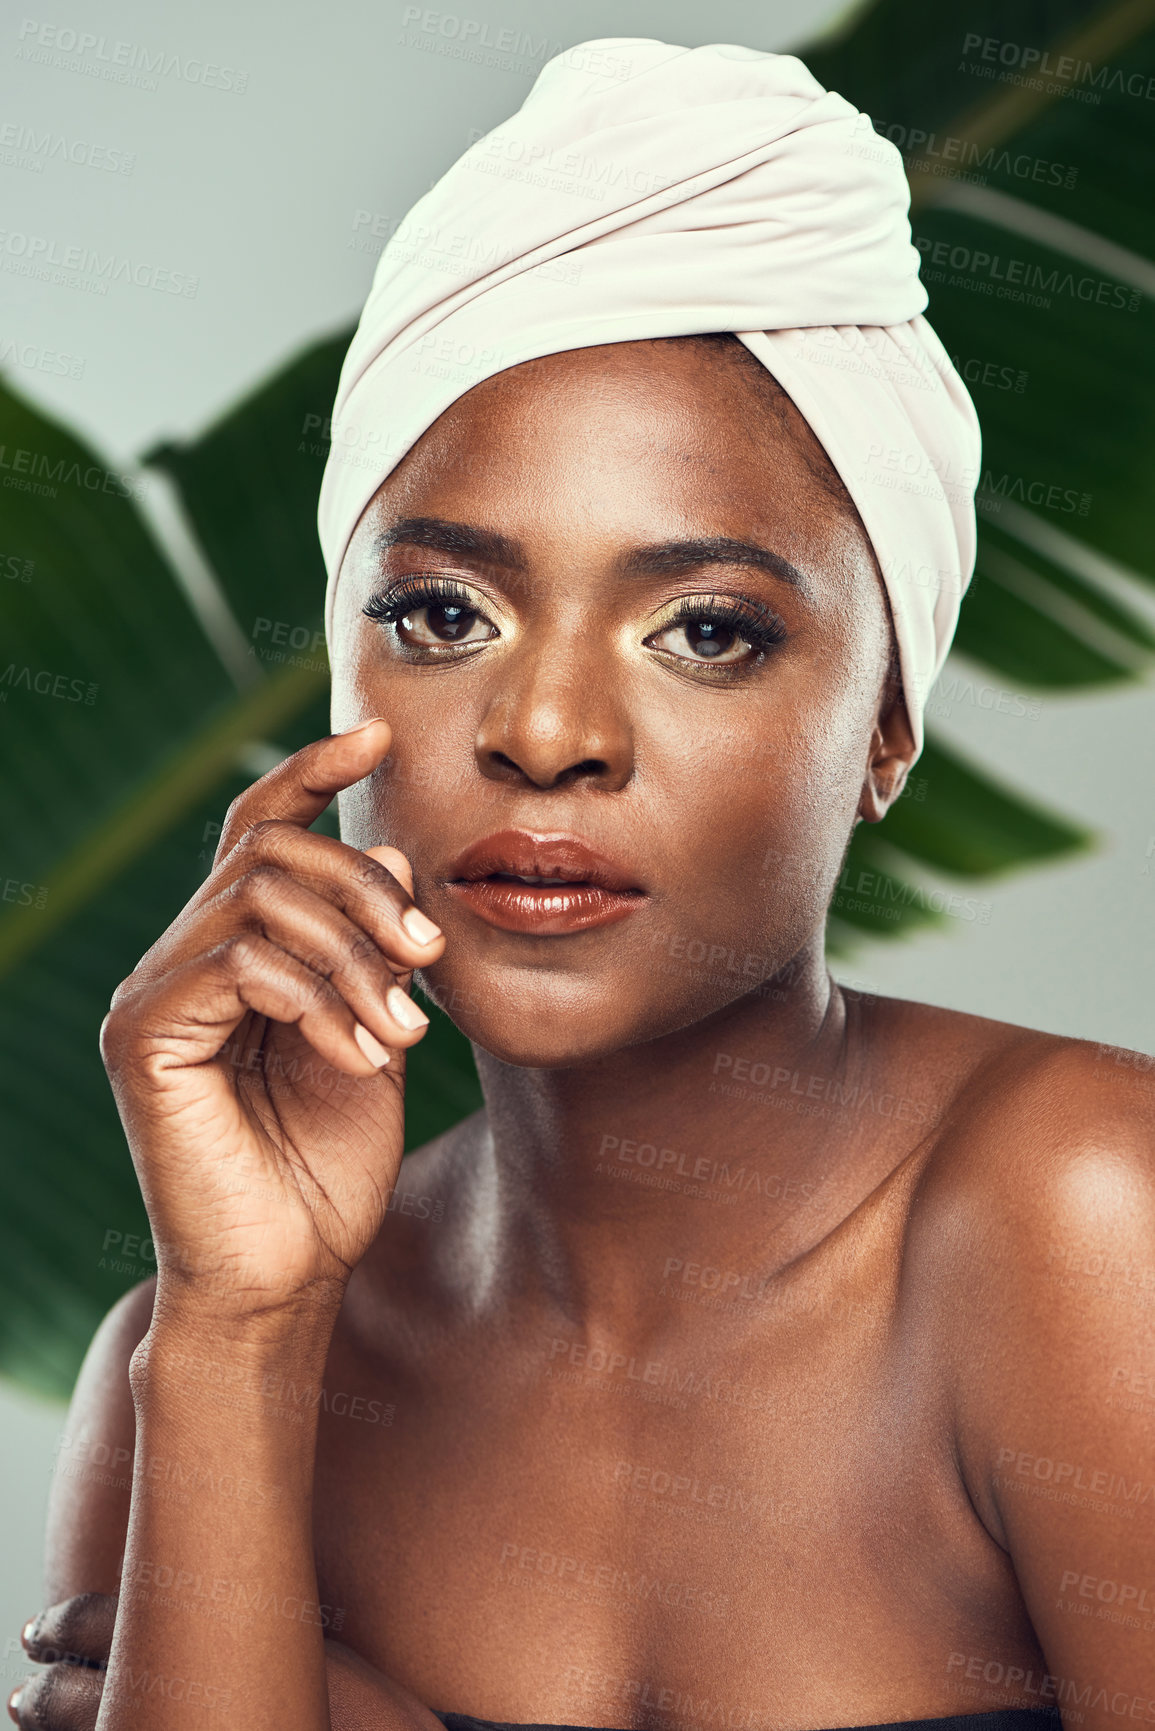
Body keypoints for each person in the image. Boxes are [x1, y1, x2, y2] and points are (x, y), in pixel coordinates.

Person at [11, 38, 1154, 1731]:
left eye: (706, 631)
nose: (544, 732)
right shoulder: (188, 1358)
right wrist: (246, 1336)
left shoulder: (1086, 1223)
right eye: (442, 617)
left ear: (884, 732)